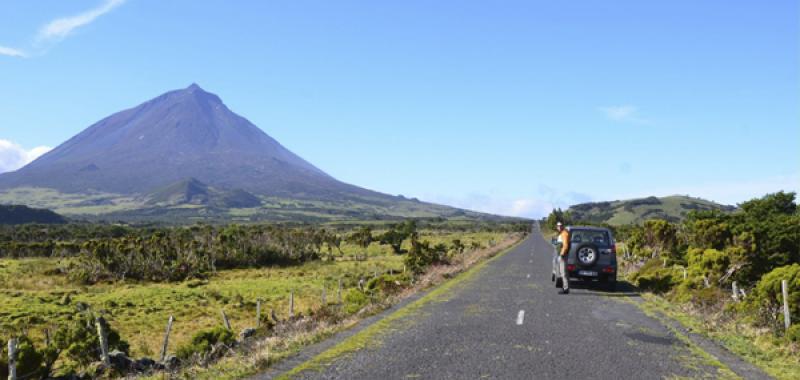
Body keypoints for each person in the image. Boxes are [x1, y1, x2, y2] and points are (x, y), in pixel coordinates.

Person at [556, 221, 570, 294]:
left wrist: (561, 254)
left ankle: (565, 289)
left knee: (563, 273)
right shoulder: (561, 233)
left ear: (563, 226)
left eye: (561, 226)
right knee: (563, 272)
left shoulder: (564, 234)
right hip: (561, 255)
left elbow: (565, 245)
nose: (559, 227)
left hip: (563, 255)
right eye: (558, 226)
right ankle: (565, 287)